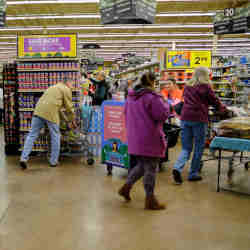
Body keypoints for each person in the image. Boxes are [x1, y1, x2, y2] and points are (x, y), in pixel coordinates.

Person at [118, 72, 171, 210]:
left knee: (142, 166)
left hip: (135, 137)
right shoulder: (152, 98)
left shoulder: (130, 97)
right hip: (150, 137)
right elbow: (163, 115)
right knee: (151, 168)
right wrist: (165, 103)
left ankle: (126, 187)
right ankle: (150, 199)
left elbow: (125, 113)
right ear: (152, 82)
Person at [172, 67, 227, 185]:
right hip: (199, 119)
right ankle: (193, 173)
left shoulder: (187, 86)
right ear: (205, 75)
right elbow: (214, 101)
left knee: (186, 148)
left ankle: (177, 167)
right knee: (198, 146)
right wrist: (223, 109)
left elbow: (185, 100)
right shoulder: (205, 87)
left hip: (185, 118)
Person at [19, 77, 76, 170]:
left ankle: (23, 158)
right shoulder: (66, 89)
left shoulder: (53, 87)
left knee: (32, 135)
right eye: (72, 84)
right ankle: (53, 161)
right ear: (68, 83)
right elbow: (69, 108)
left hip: (38, 111)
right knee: (56, 136)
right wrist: (72, 120)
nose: (72, 87)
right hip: (51, 113)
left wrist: (67, 120)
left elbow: (59, 108)